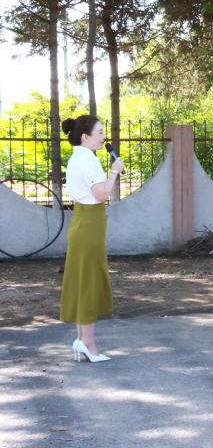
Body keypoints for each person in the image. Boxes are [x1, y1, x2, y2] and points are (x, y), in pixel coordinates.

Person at [60, 114, 125, 363]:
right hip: (89, 226)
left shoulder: (79, 157)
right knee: (88, 283)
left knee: (83, 281)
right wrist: (114, 172)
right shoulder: (88, 160)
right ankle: (88, 343)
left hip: (84, 223)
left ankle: (81, 339)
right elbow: (101, 194)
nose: (103, 137)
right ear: (85, 137)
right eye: (99, 132)